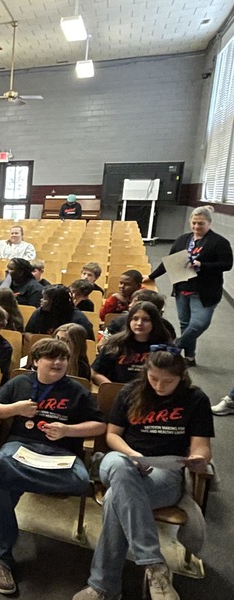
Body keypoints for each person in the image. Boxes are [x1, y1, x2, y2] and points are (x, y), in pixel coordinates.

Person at [0, 338, 106, 596]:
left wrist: (68, 429)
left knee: (78, 481)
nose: (58, 362)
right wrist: (15, 408)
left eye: (63, 358)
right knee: (3, 483)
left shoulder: (76, 390)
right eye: (51, 358)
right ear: (35, 361)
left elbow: (99, 426)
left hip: (60, 453)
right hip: (21, 446)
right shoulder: (21, 382)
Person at [73, 351, 213, 600]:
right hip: (123, 459)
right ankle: (154, 565)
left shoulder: (195, 399)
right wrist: (132, 454)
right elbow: (112, 435)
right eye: (153, 378)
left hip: (164, 472)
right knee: (118, 466)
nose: (159, 386)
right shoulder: (131, 392)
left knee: (117, 498)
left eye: (167, 381)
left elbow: (201, 445)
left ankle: (104, 588)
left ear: (181, 377)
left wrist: (199, 459)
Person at [146, 205, 232, 366]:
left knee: (199, 323)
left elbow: (227, 264)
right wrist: (150, 276)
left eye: (201, 223)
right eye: (194, 223)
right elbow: (169, 263)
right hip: (182, 288)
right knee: (185, 324)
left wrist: (202, 264)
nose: (196, 227)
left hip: (205, 292)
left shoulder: (219, 242)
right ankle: (190, 357)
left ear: (209, 223)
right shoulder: (183, 240)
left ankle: (174, 346)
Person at [92, 301, 172, 385]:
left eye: (146, 320)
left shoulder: (165, 346)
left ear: (155, 323)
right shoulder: (115, 342)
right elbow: (95, 372)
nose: (139, 323)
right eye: (135, 319)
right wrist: (111, 388)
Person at [25, 284, 94, 339]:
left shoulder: (79, 319)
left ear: (56, 303)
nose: (41, 300)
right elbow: (28, 332)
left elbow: (88, 342)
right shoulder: (40, 312)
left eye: (45, 299)